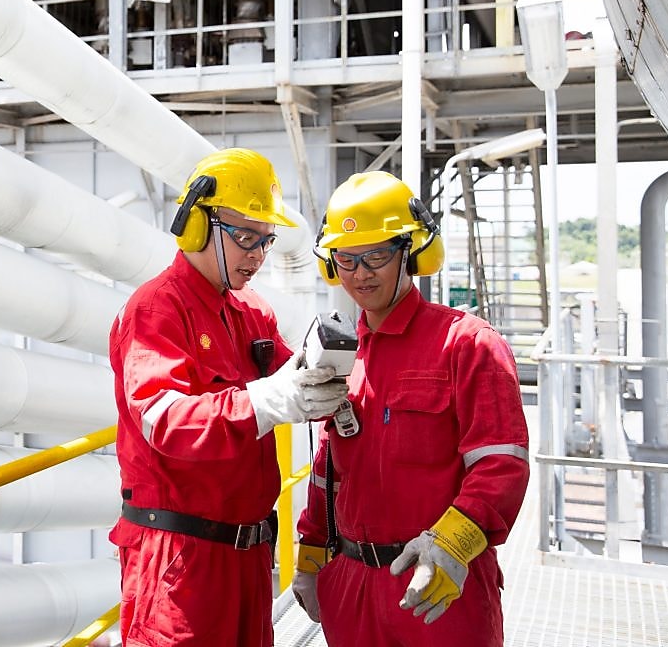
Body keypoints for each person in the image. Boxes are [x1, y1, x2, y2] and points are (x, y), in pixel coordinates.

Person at [109, 147, 349, 646]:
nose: (258, 257)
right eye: (245, 238)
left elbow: (288, 376)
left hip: (249, 556)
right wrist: (267, 401)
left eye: (267, 240)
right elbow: (164, 420)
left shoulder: (248, 309)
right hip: (180, 562)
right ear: (196, 225)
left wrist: (327, 378)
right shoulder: (155, 310)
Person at [292, 171, 530, 647]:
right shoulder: (343, 356)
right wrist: (311, 554)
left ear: (412, 252)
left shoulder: (467, 344)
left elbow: (501, 466)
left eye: (378, 255)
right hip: (353, 587)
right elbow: (329, 467)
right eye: (347, 257)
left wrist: (452, 545)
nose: (361, 273)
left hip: (439, 589)